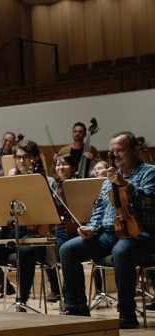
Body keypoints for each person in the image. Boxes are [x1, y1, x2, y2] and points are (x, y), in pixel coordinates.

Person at [59, 132, 155, 329]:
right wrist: (91, 227)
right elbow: (100, 209)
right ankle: (77, 308)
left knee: (121, 251)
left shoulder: (150, 173)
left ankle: (127, 315)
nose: (115, 156)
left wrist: (124, 184)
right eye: (112, 152)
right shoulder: (107, 180)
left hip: (140, 234)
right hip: (108, 234)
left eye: (120, 150)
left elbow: (149, 202)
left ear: (135, 150)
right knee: (68, 249)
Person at [0, 140, 54, 311]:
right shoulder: (10, 179)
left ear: (35, 158)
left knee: (25, 252)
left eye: (26, 157)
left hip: (33, 235)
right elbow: (1, 210)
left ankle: (21, 301)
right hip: (10, 232)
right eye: (18, 157)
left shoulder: (44, 180)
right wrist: (8, 183)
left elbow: (49, 214)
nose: (21, 161)